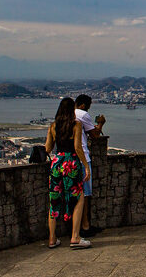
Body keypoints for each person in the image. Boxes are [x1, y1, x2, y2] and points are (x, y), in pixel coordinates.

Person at [45, 97, 91, 249]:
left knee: (54, 199)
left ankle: (52, 239)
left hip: (57, 163)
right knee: (78, 197)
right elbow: (78, 147)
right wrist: (86, 166)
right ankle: (75, 237)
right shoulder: (75, 125)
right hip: (71, 162)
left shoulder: (53, 126)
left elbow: (48, 148)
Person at [74, 94, 106, 237]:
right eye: (89, 105)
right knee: (85, 194)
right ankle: (85, 226)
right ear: (83, 105)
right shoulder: (83, 114)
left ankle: (75, 227)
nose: (89, 108)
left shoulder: (68, 115)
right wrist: (101, 123)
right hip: (83, 158)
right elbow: (95, 135)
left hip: (68, 159)